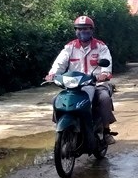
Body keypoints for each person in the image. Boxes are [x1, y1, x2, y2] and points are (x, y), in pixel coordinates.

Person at [45, 15, 117, 144]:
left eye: (86, 29)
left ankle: (106, 131)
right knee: (56, 99)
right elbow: (59, 64)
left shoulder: (101, 47)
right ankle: (62, 127)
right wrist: (53, 74)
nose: (83, 31)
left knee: (104, 99)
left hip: (96, 83)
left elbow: (107, 64)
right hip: (74, 85)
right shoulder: (69, 47)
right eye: (79, 29)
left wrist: (104, 74)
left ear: (91, 30)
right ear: (75, 31)